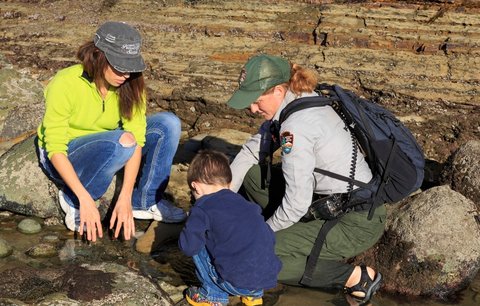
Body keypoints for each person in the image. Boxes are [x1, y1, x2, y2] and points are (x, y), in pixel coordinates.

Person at [226, 54, 385, 303]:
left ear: (278, 90)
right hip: (325, 201)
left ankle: (355, 277)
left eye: (256, 101)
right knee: (251, 174)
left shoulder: (295, 127)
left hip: (353, 222)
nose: (252, 109)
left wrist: (261, 234)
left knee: (251, 255)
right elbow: (249, 152)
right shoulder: (300, 101)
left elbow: (295, 205)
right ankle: (279, 233)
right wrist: (220, 203)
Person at [35, 21, 186, 242]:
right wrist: (84, 199)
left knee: (168, 124)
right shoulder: (66, 82)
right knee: (123, 142)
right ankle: (72, 200)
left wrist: (124, 197)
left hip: (112, 141)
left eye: (130, 66)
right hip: (67, 152)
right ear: (97, 55)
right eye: (118, 66)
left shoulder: (131, 84)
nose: (126, 74)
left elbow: (138, 138)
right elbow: (55, 147)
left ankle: (143, 201)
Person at [178, 150, 281, 306]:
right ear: (229, 183)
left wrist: (189, 226)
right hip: (265, 279)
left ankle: (213, 296)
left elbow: (188, 248)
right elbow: (268, 236)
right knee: (253, 239)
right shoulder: (246, 204)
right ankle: (253, 297)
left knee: (197, 241)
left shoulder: (202, 207)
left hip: (235, 282)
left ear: (195, 187)